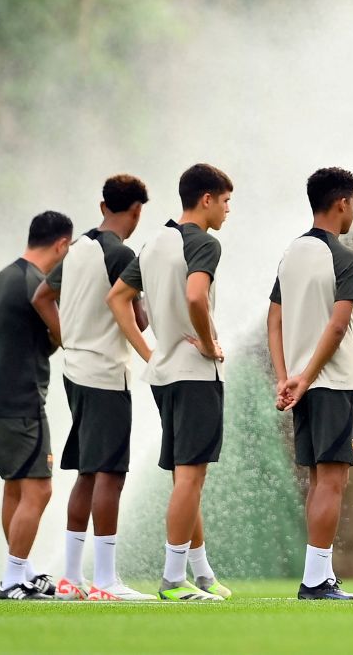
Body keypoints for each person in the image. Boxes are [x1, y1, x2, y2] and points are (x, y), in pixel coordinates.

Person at [107, 163, 234, 601]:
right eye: (225, 201)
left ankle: (200, 573)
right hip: (195, 374)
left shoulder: (155, 241)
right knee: (191, 476)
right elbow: (196, 295)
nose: (227, 210)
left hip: (165, 375)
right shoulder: (205, 243)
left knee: (185, 474)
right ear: (206, 199)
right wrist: (207, 340)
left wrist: (150, 352)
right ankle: (172, 580)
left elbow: (117, 298)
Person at [31, 175, 154, 601]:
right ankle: (104, 580)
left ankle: (70, 579)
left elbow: (42, 298)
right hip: (106, 374)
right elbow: (138, 320)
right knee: (111, 474)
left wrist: (70, 338)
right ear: (136, 211)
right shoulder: (121, 253)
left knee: (87, 471)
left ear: (103, 206)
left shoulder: (79, 247)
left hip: (76, 371)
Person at [267, 167, 353, 601]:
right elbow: (339, 325)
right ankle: (315, 581)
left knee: (317, 479)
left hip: (302, 385)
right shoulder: (346, 258)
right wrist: (306, 378)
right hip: (333, 384)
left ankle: (317, 576)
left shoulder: (291, 252)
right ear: (342, 202)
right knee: (332, 482)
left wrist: (285, 378)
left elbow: (274, 320)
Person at [0, 211, 73, 600]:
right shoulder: (35, 283)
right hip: (22, 399)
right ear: (61, 245)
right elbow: (60, 336)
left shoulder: (6, 276)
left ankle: (24, 571)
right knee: (39, 489)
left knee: (17, 489)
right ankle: (11, 578)